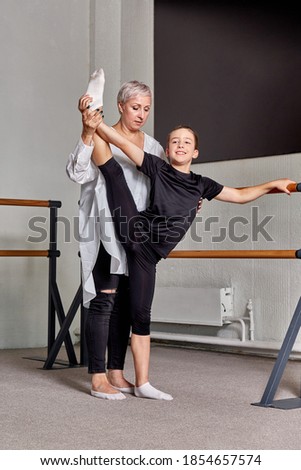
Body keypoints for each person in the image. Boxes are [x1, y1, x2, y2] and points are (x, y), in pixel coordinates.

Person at [84, 68, 295, 401]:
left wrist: (272, 184)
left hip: (150, 255)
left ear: (195, 152)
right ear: (166, 150)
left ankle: (143, 383)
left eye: (187, 142)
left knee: (141, 314)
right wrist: (94, 123)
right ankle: (93, 105)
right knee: (112, 173)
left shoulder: (202, 184)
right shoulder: (157, 167)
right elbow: (121, 141)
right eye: (174, 141)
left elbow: (239, 195)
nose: (180, 145)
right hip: (135, 230)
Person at [66, 71, 166, 400]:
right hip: (106, 230)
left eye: (147, 108)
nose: (141, 114)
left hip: (137, 236)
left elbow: (162, 190)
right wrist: (86, 129)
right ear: (121, 106)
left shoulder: (152, 147)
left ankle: (116, 371)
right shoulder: (100, 136)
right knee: (103, 301)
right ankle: (96, 377)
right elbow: (76, 173)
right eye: (136, 107)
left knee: (125, 303)